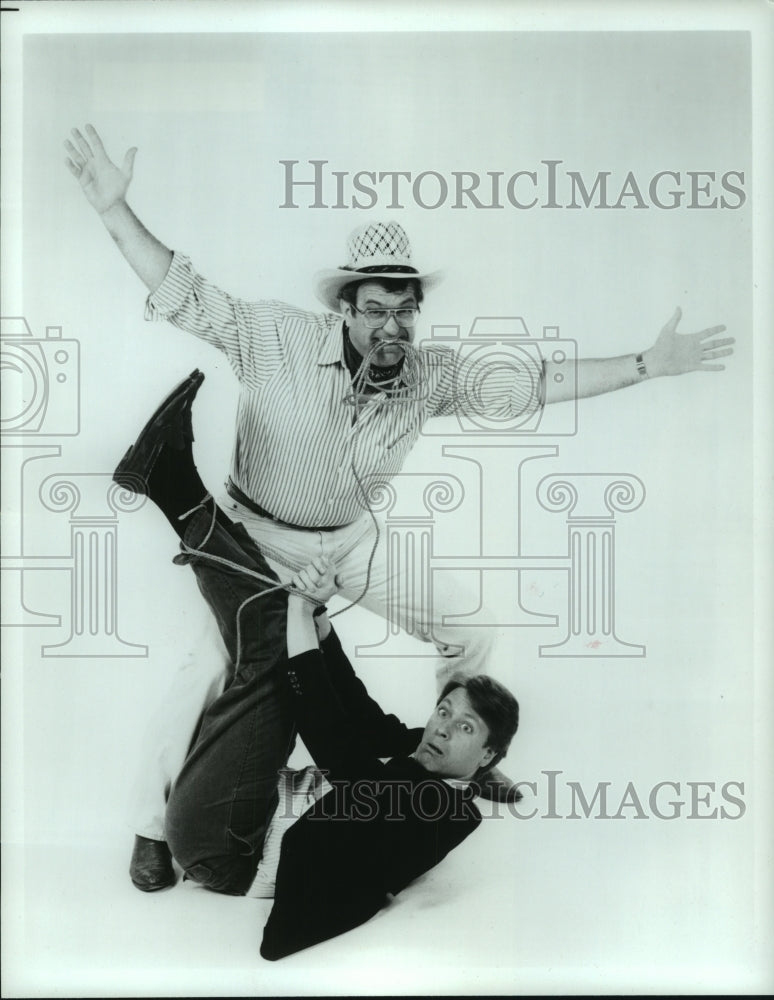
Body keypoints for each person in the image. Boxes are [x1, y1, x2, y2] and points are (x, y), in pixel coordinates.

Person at [64, 123, 735, 891]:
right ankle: (150, 834)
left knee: (468, 626)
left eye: (405, 310)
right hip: (259, 538)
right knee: (209, 668)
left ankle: (445, 766)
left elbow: (540, 381)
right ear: (346, 308)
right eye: (376, 308)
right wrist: (115, 210)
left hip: (352, 543)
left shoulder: (428, 376)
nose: (392, 326)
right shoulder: (277, 338)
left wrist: (648, 364)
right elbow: (184, 292)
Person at [115, 370, 520, 960]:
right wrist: (320, 629)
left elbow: (339, 748)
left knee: (269, 646)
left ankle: (174, 486)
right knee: (266, 638)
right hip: (243, 807)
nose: (441, 726)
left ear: (487, 758)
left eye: (464, 729)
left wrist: (304, 615)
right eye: (444, 711)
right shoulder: (416, 750)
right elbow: (359, 711)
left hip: (229, 849)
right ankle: (173, 484)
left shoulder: (442, 808)